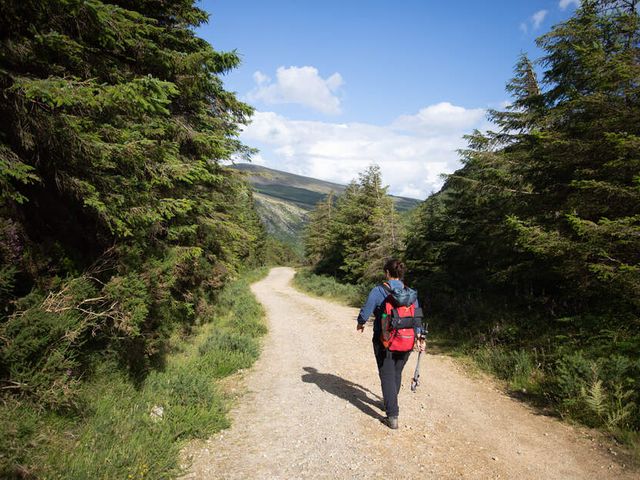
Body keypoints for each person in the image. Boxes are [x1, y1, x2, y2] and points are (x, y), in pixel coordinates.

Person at [356, 258, 425, 429]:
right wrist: (420, 337)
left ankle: (392, 415)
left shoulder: (379, 291)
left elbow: (366, 312)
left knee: (386, 375)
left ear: (387, 273)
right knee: (396, 372)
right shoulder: (410, 293)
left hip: (385, 341)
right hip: (407, 341)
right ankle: (390, 402)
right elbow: (417, 318)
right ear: (401, 274)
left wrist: (360, 323)